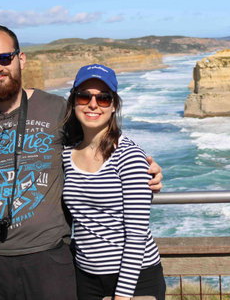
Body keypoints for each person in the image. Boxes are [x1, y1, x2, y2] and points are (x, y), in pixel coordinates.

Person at [0, 24, 163, 300]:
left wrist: (148, 170)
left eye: (5, 58)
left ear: (21, 59)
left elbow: (101, 140)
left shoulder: (58, 111)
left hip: (49, 259)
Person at [62, 64, 166, 300]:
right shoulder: (66, 155)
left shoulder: (128, 156)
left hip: (135, 278)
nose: (93, 104)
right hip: (85, 277)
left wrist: (122, 296)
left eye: (104, 98)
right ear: (73, 101)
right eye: (84, 96)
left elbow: (136, 235)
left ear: (114, 105)